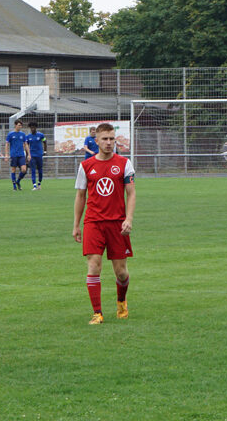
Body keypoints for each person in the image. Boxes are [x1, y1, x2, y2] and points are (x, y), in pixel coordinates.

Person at [72, 123, 136, 325]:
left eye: (112, 139)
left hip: (117, 223)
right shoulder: (86, 166)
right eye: (105, 139)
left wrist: (129, 219)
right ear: (96, 141)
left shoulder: (124, 163)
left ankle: (121, 301)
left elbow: (131, 193)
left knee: (121, 272)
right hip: (94, 222)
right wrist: (76, 224)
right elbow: (80, 196)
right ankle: (97, 313)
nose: (109, 143)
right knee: (93, 266)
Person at [6, 120, 29, 191]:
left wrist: (29, 154)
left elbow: (26, 144)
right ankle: (14, 186)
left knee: (24, 170)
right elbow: (7, 144)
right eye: (19, 125)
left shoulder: (22, 134)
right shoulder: (10, 134)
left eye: (21, 125)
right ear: (15, 125)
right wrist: (6, 154)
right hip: (14, 155)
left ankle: (18, 181)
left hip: (21, 155)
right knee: (13, 170)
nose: (20, 126)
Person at [25, 122, 46, 191]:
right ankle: (34, 185)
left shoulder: (41, 135)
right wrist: (27, 155)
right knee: (33, 170)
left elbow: (45, 142)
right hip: (32, 156)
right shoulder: (28, 136)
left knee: (40, 170)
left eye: (34, 127)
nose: (32, 129)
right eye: (31, 127)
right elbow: (26, 146)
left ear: (36, 128)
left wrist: (45, 151)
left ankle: (39, 183)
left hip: (39, 155)